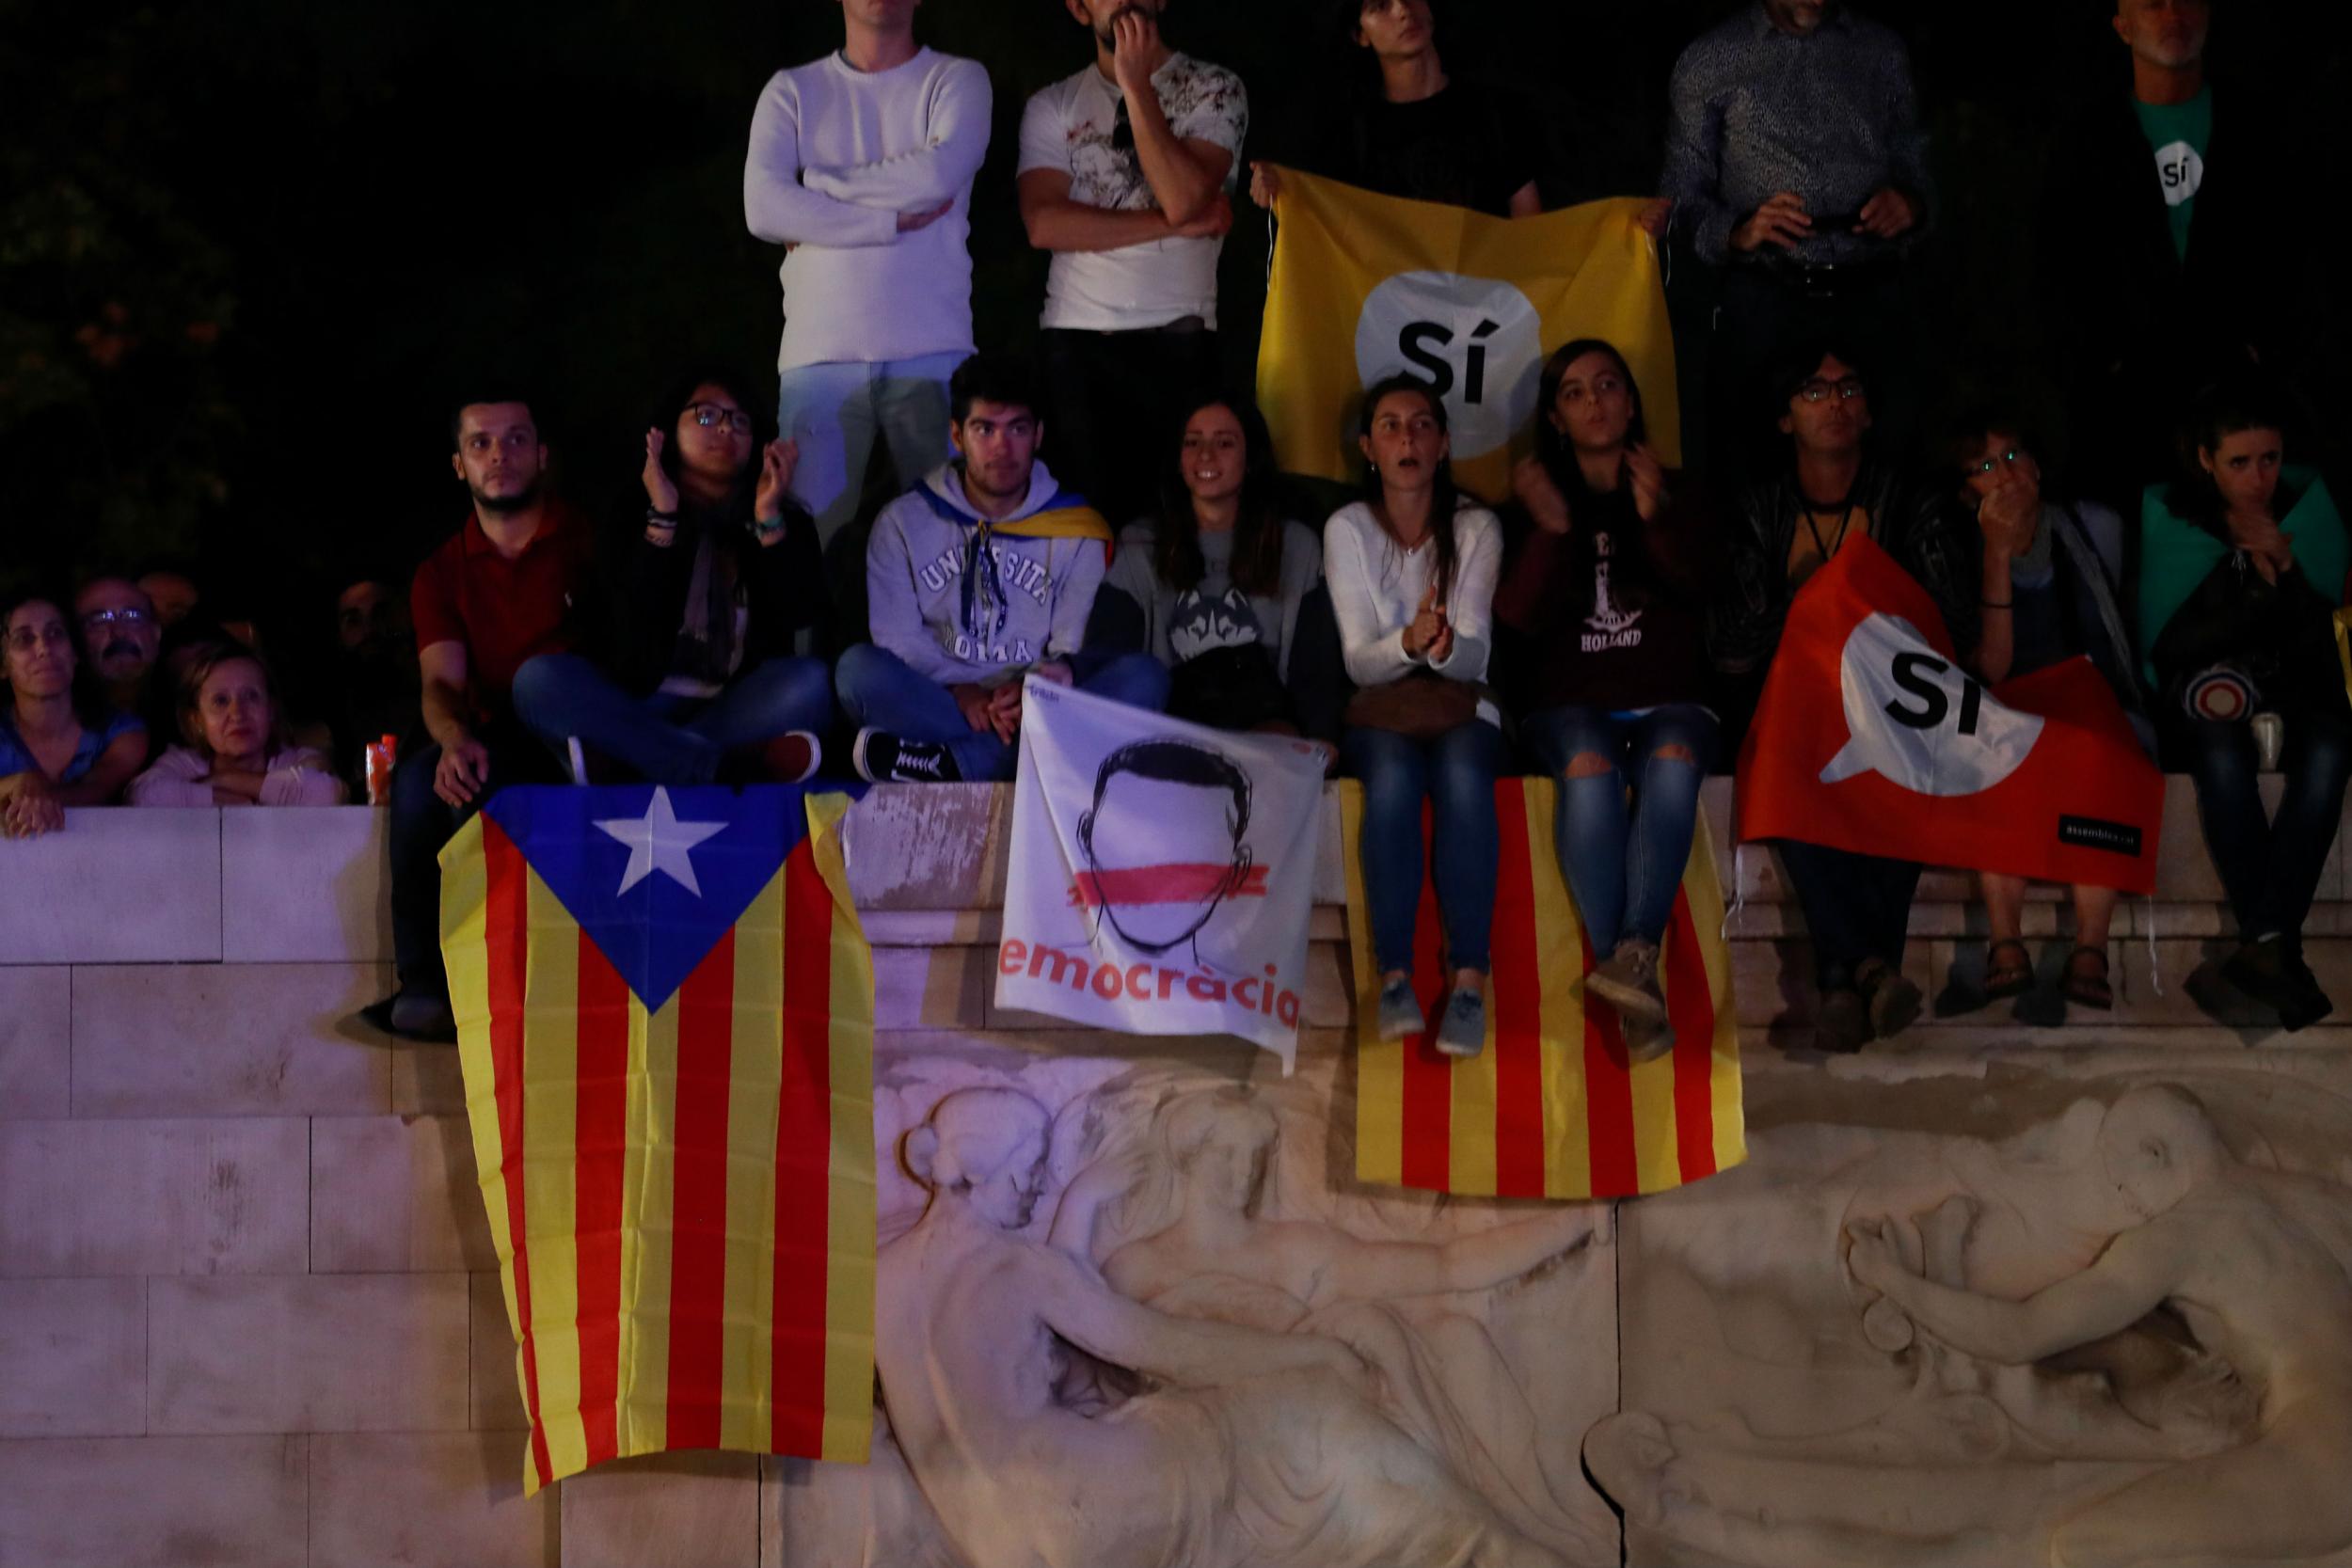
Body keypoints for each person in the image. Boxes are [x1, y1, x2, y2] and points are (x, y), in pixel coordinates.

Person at [877, 1086, 1571, 1568]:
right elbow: (1166, 1346)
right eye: (1027, 1172)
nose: (1034, 1189)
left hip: (998, 1547)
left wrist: (1084, 1196)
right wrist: (1312, 1353)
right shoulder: (1021, 1268)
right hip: (1101, 1509)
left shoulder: (879, 1277)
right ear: (977, 1170)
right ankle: (1496, 1549)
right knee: (1310, 1416)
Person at [1711, 345, 1973, 1053]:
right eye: (1813, 389)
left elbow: (1948, 620)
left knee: (1899, 764)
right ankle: (1870, 966)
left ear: (1869, 411)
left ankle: (1839, 977)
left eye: (1848, 387)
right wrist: (1817, 604)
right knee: (1788, 758)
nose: (1833, 401)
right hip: (1788, 704)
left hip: (1890, 701)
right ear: (1784, 417)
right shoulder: (1759, 506)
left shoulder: (1910, 500)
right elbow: (1731, 643)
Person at [1498, 341, 1715, 1061]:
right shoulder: (1531, 502)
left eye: (1610, 386)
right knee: (1589, 771)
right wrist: (1551, 532)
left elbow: (1704, 595)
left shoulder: (1678, 488)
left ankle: (1632, 960)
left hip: (1668, 695)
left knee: (1676, 758)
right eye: (1575, 393)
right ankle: (1633, 972)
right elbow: (1518, 618)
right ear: (1556, 419)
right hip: (1569, 700)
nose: (1596, 403)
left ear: (1632, 400)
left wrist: (1655, 519)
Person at [368, 395, 589, 1043]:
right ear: (459, 465)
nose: (500, 455)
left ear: (542, 455)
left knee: (491, 784)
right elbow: (440, 680)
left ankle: (508, 980)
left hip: (574, 733)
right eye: (482, 443)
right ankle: (425, 983)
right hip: (488, 732)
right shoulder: (440, 571)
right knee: (418, 782)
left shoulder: (584, 542)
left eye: (516, 438)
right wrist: (452, 738)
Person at [837, 354, 1170, 784]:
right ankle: (1025, 763)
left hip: (1038, 702)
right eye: (984, 429)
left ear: (1038, 435)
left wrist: (1033, 688)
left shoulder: (1077, 530)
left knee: (1145, 679)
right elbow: (897, 637)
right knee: (857, 671)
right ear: (957, 436)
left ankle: (955, 764)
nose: (1002, 447)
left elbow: (1070, 640)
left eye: (1018, 428)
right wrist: (962, 691)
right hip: (940, 699)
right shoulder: (903, 522)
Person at [743, 0, 992, 558]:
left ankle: (946, 650)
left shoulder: (958, 79)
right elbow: (762, 209)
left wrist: (815, 189)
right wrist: (886, 219)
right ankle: (808, 652)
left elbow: (937, 177)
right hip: (819, 354)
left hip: (934, 347)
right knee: (805, 547)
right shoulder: (790, 90)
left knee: (951, 547)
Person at [2142, 381, 2349, 1031]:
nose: (2259, 477)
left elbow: (2326, 644)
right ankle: (2274, 945)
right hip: (2205, 701)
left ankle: (2266, 940)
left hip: (2295, 694)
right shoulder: (2176, 519)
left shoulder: (2307, 512)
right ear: (2206, 460)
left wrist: (2285, 570)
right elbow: (2168, 643)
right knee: (2219, 748)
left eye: (2269, 458)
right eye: (2240, 462)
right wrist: (2250, 590)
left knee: (2333, 746)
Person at [508, 372, 834, 785]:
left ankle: (633, 761)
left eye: (740, 421)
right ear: (667, 433)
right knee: (536, 681)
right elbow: (626, 631)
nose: (723, 428)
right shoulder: (630, 511)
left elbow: (800, 611)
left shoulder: (779, 518)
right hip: (631, 701)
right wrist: (662, 518)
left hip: (727, 708)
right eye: (705, 416)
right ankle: (709, 765)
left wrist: (768, 517)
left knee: (809, 683)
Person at [2036, 0, 2296, 511]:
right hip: (2124, 417)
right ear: (2122, 26)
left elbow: (2293, 251)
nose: (2173, 13)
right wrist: (2101, 364)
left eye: (2187, 0)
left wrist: (2265, 350)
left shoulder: (2255, 128)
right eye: (2153, 3)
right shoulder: (2086, 142)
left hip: (2241, 408)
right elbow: (2056, 270)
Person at [1662, 0, 1932, 481]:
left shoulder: (1881, 50)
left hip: (1870, 285)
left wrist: (1911, 204)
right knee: (1754, 462)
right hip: (1768, 291)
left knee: (1889, 459)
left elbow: (1918, 162)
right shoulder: (1712, 59)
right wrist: (1738, 231)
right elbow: (1680, 196)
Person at [1017, 0, 1247, 528]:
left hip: (1179, 333)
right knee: (1084, 527)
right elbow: (1044, 225)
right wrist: (1169, 224)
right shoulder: (1053, 103)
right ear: (1077, 9)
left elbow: (1186, 196)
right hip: (1076, 339)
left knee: (1173, 526)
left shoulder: (1216, 87)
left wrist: (1136, 84)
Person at [1328, 374, 1505, 1058]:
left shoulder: (1475, 524)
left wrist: (1444, 644)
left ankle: (1468, 981)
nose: (1408, 438)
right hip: (1383, 711)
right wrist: (1405, 641)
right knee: (1395, 783)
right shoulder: (1346, 527)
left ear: (1444, 444)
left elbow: (1478, 653)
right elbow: (1356, 663)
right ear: (1368, 447)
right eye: (1392, 426)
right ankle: (1394, 974)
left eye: (1423, 425)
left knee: (1464, 776)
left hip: (1460, 703)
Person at [1949, 414, 2147, 1015]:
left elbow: (2111, 639)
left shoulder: (2093, 527)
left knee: (2103, 753)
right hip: (2008, 698)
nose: (2005, 475)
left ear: (2037, 465)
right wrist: (1997, 552)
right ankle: (2005, 940)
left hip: (2084, 693)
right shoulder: (1958, 546)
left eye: (2013, 457)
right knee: (1990, 756)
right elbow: (1996, 664)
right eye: (1985, 468)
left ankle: (2091, 947)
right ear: (1969, 493)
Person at [1087, 396, 1325, 734]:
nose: (1206, 455)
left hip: (1265, 731)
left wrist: (1320, 737)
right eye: (1192, 442)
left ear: (1251, 456)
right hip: (1169, 730)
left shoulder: (1297, 545)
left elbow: (1313, 668)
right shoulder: (1141, 543)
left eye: (1224, 443)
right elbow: (1110, 658)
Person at [1250, 0, 1538, 219]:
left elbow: (1531, 227)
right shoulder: (1350, 136)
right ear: (1360, 34)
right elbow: (1330, 233)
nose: (1403, 10)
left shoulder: (1494, 110)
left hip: (1490, 293)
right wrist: (1281, 193)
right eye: (1381, 5)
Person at [0, 588, 147, 838]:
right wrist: (14, 784)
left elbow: (97, 790)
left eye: (56, 634)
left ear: (75, 653)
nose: (44, 648)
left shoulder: (122, 732)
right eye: (25, 639)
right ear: (3, 666)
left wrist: (35, 794)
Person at [127, 641, 344, 807]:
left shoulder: (299, 759)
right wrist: (236, 799)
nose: (237, 714)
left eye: (251, 696)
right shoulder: (183, 763)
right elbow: (142, 794)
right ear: (197, 719)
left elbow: (327, 792)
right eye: (220, 701)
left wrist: (222, 780)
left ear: (271, 710)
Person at [72, 575, 167, 759]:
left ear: (156, 632)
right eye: (99, 619)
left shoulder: (193, 710)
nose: (118, 631)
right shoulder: (55, 725)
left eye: (132, 616)